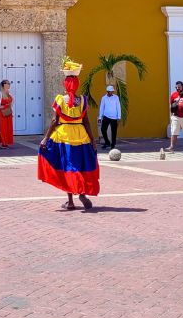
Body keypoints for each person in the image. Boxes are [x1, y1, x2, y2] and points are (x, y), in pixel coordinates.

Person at [38, 57, 99, 210]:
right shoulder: (83, 100)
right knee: (81, 164)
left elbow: (54, 121)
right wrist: (92, 140)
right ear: (77, 84)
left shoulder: (60, 100)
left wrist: (46, 138)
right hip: (81, 136)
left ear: (65, 84)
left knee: (67, 166)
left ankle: (70, 201)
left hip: (64, 136)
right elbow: (86, 122)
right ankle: (82, 193)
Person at [0, 80, 14, 150]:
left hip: (8, 112)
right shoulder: (0, 93)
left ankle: (4, 144)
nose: (9, 84)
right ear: (4, 85)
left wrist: (10, 111)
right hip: (1, 113)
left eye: (9, 83)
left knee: (7, 128)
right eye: (8, 83)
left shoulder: (9, 93)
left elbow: (11, 102)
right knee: (2, 128)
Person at [98, 84, 122, 150]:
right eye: (110, 91)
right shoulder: (104, 98)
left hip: (114, 117)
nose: (112, 92)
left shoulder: (116, 97)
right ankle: (107, 142)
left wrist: (119, 117)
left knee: (114, 132)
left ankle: (113, 145)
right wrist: (100, 117)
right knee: (103, 129)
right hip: (106, 116)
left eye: (112, 91)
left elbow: (118, 107)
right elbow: (102, 107)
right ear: (107, 91)